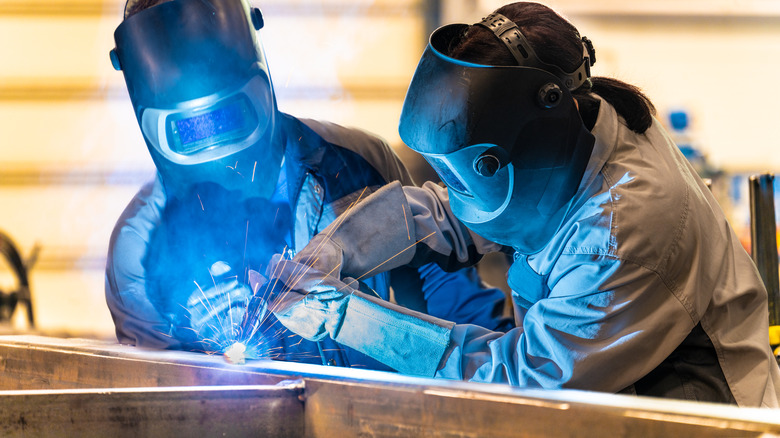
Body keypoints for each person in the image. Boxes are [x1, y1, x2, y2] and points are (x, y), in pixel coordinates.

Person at [261, 2, 780, 406]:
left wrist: (346, 317)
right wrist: (334, 251)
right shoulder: (573, 137)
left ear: (535, 138)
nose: (451, 185)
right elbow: (452, 213)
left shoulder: (624, 234)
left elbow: (519, 380)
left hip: (697, 421)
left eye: (464, 171)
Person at [104, 0, 513, 367]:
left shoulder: (357, 162)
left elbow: (448, 295)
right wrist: (202, 354)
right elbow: (159, 401)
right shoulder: (139, 247)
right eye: (191, 131)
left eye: (228, 117)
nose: (228, 168)